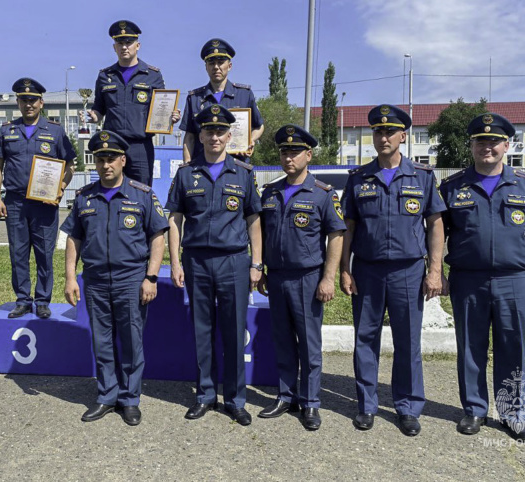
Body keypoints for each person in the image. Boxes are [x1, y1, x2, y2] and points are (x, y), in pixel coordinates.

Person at [440, 113, 525, 442]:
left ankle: (512, 414)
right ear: (472, 146)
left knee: (512, 347)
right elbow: (435, 233)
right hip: (467, 280)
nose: (486, 147)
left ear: (506, 145)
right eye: (480, 141)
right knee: (470, 348)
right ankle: (474, 410)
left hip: (514, 281)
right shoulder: (452, 187)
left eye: (493, 142)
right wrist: (437, 272)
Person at [340, 104, 446, 437]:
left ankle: (408, 407)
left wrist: (435, 271)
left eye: (390, 132)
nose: (383, 137)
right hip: (368, 270)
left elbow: (436, 224)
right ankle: (367, 405)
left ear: (403, 136)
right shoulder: (359, 178)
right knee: (365, 340)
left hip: (409, 271)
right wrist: (345, 269)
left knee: (408, 341)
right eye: (378, 131)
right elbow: (348, 228)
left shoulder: (423, 177)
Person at [62, 130, 168, 426]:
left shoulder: (142, 194)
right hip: (95, 280)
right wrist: (71, 278)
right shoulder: (85, 197)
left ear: (123, 160)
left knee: (132, 341)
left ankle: (130, 399)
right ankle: (107, 396)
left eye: (111, 158)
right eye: (100, 159)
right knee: (103, 342)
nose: (105, 164)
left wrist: (152, 277)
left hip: (130, 279)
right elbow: (74, 239)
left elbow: (158, 236)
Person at [166, 104, 263, 426]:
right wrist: (175, 262)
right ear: (202, 135)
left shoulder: (244, 174)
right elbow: (175, 220)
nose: (215, 136)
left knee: (235, 331)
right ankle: (206, 395)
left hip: (234, 261)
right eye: (209, 130)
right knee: (202, 331)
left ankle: (236, 399)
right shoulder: (185, 174)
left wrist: (257, 264)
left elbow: (253, 221)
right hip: (197, 261)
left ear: (229, 135)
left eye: (221, 131)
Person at [257, 125, 345, 430]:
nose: (288, 156)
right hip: (277, 278)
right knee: (282, 340)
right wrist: (262, 270)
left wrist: (328, 278)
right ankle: (286, 395)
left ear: (308, 155)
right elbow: (262, 235)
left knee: (309, 343)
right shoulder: (270, 192)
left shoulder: (322, 194)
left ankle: (310, 402)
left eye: (295, 151)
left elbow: (336, 235)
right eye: (284, 151)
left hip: (308, 277)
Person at [0, 77, 76, 319]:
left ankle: (42, 300)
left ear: (41, 102)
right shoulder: (7, 130)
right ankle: (22, 300)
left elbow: (70, 164)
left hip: (44, 203)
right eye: (23, 100)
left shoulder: (55, 131)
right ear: (18, 102)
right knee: (18, 252)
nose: (28, 104)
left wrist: (59, 189)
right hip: (15, 201)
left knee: (44, 253)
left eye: (33, 100)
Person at [83, 20, 180, 185]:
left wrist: (170, 117)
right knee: (111, 189)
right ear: (114, 47)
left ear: (138, 45)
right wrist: (94, 116)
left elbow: (161, 108)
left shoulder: (152, 75)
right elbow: (99, 109)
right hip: (113, 144)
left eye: (129, 42)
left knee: (141, 190)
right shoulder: (105, 76)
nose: (124, 47)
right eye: (120, 43)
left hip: (140, 146)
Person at [180, 38, 264, 163]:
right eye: (211, 63)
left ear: (229, 66)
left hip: (236, 164)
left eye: (220, 62)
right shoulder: (194, 98)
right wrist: (187, 165)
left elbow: (259, 126)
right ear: (206, 67)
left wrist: (250, 140)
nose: (216, 67)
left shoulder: (244, 94)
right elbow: (190, 137)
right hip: (202, 167)